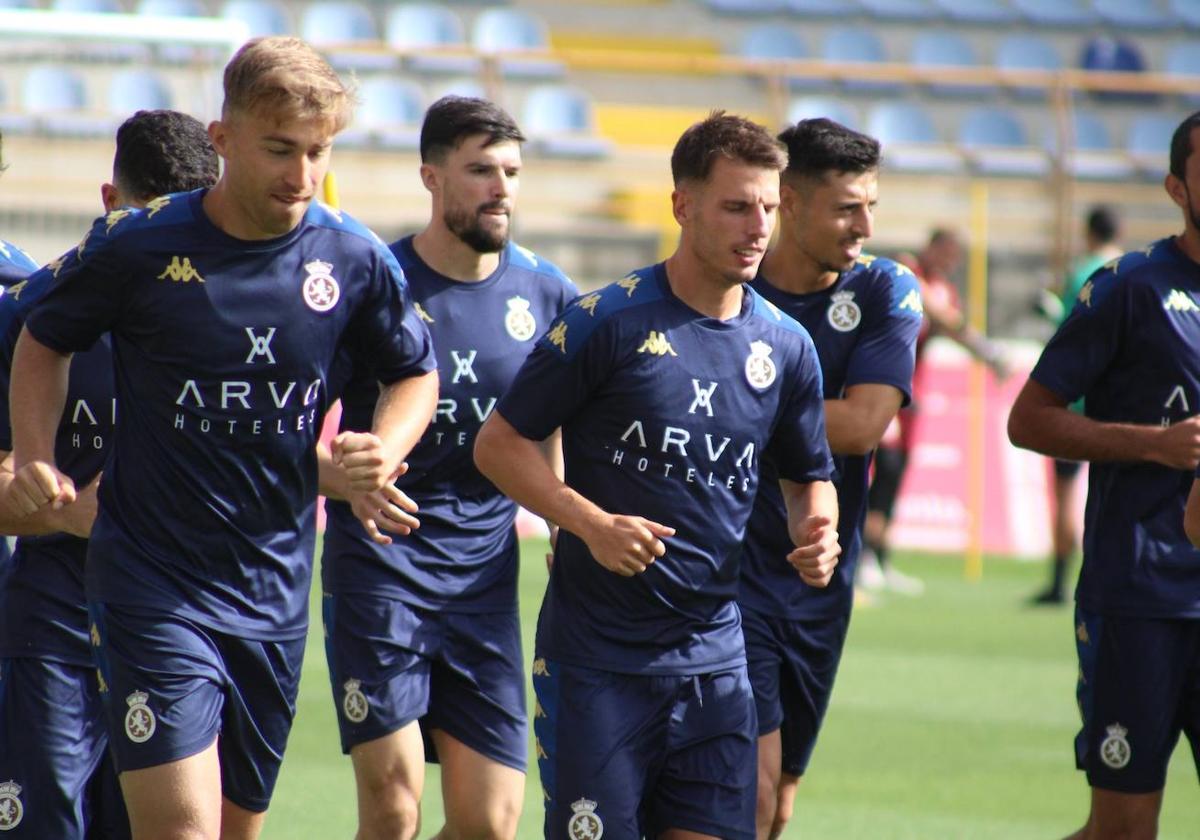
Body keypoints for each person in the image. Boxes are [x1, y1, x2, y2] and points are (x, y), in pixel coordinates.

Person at [5, 37, 438, 840]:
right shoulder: (138, 244)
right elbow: (41, 340)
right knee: (182, 832)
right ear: (223, 137)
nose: (301, 175)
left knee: (236, 831)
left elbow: (416, 372)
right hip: (149, 581)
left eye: (318, 153)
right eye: (280, 149)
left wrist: (386, 445)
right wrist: (35, 456)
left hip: (271, 591)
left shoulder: (351, 257)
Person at [474, 111, 840, 840]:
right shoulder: (603, 322)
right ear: (683, 205)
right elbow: (499, 444)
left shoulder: (787, 347)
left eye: (769, 208)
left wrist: (816, 526)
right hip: (597, 663)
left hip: (715, 663)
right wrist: (588, 524)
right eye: (737, 206)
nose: (757, 226)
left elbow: (808, 475)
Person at [319, 96, 577, 840]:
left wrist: (564, 516)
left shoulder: (548, 293)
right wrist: (340, 475)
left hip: (484, 584)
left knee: (490, 824)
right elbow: (291, 422)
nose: (500, 188)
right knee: (396, 811)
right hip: (380, 572)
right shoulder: (376, 283)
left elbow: (547, 419)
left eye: (511, 171)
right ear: (431, 177)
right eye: (479, 171)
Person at [0, 109, 219, 839]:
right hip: (57, 615)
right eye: (145, 224)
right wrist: (64, 510)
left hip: (183, 620)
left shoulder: (236, 316)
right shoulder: (34, 312)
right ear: (108, 203)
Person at [1009, 110, 1200, 840]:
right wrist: (1155, 444)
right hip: (1140, 598)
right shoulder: (1130, 288)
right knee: (1123, 829)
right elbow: (1029, 420)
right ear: (1177, 188)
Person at [739, 119, 922, 840]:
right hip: (731, 575)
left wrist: (730, 398)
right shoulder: (730, 283)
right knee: (748, 796)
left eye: (870, 205)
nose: (865, 226)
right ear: (789, 200)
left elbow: (863, 425)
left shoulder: (883, 287)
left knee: (779, 805)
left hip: (819, 580)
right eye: (848, 208)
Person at [859, 227, 1007, 596]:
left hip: (911, 398)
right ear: (932, 247)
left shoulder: (945, 288)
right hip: (880, 388)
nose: (949, 262)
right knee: (881, 469)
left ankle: (880, 559)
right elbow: (940, 314)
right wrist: (985, 348)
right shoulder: (906, 271)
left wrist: (985, 356)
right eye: (946, 253)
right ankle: (860, 557)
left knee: (895, 478)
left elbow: (949, 326)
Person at [1029, 206, 1122, 606]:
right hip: (1120, 401)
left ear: (1088, 233)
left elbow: (1067, 331)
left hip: (1074, 401)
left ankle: (1059, 582)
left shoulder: (1082, 271)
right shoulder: (1132, 270)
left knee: (1067, 494)